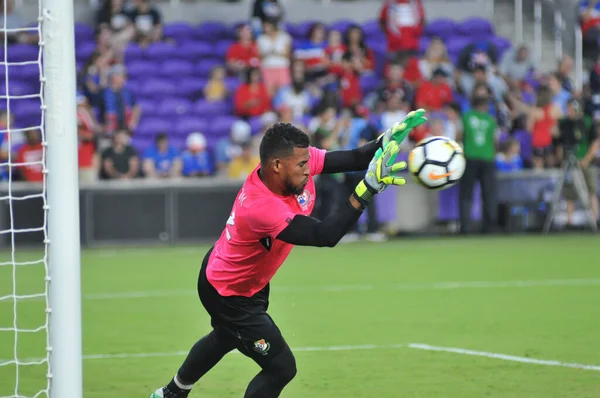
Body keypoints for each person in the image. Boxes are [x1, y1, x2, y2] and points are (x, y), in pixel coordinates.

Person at [149, 111, 428, 398]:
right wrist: (366, 190)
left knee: (226, 336)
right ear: (277, 165)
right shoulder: (262, 207)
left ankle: (170, 394)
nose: (310, 169)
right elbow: (325, 236)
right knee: (281, 367)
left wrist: (386, 140)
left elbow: (356, 157)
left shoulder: (292, 165)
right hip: (230, 293)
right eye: (303, 164)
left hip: (235, 275)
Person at [458, 90, 499, 234]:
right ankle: (489, 227)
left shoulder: (466, 117)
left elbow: (459, 135)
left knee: (466, 194)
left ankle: (465, 227)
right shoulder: (490, 120)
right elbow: (495, 141)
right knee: (488, 194)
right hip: (487, 158)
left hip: (470, 157)